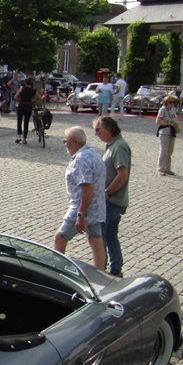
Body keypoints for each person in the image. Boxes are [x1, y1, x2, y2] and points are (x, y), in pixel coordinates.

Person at [54, 126, 107, 271]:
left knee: (60, 238)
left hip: (82, 208)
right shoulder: (94, 154)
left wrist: (81, 214)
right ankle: (100, 274)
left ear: (73, 142)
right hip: (97, 208)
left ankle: (57, 273)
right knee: (96, 240)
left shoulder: (81, 159)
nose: (64, 144)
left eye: (65, 141)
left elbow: (87, 187)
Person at [94, 115, 130, 277]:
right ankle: (115, 269)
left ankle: (101, 270)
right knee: (110, 235)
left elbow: (122, 175)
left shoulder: (119, 147)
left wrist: (107, 192)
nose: (95, 134)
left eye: (97, 129)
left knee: (100, 235)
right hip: (114, 200)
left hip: (112, 200)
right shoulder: (113, 145)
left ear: (108, 129)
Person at [155, 94, 181, 175]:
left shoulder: (173, 109)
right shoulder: (163, 109)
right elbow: (158, 121)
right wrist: (168, 123)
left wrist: (176, 124)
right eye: (170, 102)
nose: (172, 104)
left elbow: (175, 118)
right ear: (166, 102)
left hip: (172, 132)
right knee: (164, 152)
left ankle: (167, 168)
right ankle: (160, 168)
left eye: (173, 102)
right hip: (164, 132)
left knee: (170, 152)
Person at [13, 76, 40, 144]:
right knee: (26, 122)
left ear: (25, 82)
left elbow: (15, 96)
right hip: (28, 106)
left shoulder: (22, 88)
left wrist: (20, 99)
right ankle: (24, 139)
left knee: (19, 121)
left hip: (21, 105)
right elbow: (40, 98)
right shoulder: (34, 90)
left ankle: (19, 137)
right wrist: (43, 96)